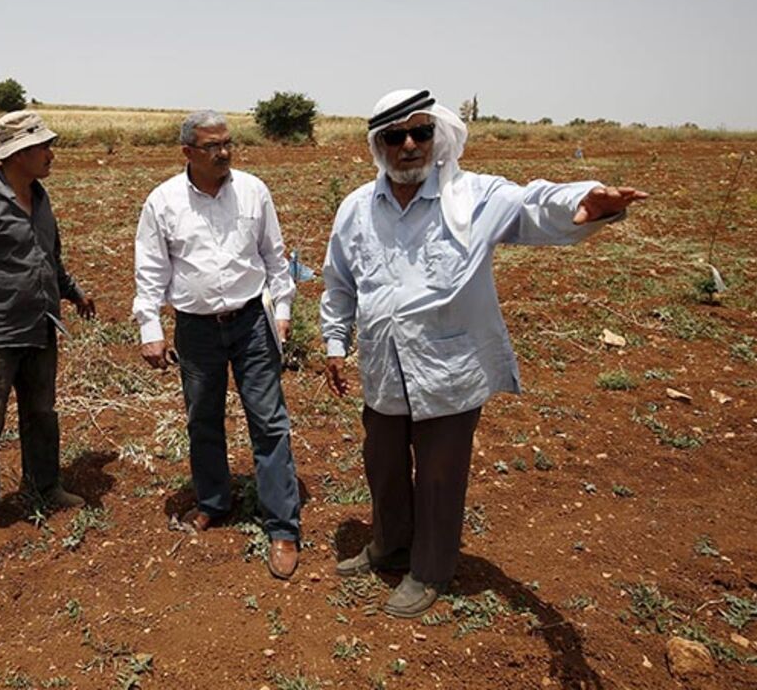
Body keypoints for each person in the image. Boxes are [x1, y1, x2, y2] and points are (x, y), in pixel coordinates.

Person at [320, 88, 646, 617]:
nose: (409, 145)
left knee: (439, 474)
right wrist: (336, 342)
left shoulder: (473, 196)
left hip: (448, 367)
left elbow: (534, 203)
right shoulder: (356, 207)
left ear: (437, 136)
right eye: (395, 136)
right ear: (377, 146)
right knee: (381, 462)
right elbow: (338, 282)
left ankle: (429, 570)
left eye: (420, 132)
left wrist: (583, 200)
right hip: (383, 364)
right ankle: (388, 543)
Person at [133, 110, 302, 580]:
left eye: (228, 143)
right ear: (187, 152)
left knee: (269, 422)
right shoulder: (163, 202)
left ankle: (283, 526)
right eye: (212, 146)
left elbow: (274, 257)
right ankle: (213, 501)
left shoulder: (253, 191)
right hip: (196, 328)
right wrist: (151, 328)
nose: (224, 153)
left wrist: (281, 313)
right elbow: (150, 271)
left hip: (251, 322)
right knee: (202, 418)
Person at [0, 111, 96, 552]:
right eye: (43, 147)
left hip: (41, 328)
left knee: (42, 414)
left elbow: (50, 258)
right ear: (19, 153)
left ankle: (45, 487)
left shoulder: (41, 198)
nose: (51, 154)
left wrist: (74, 292)